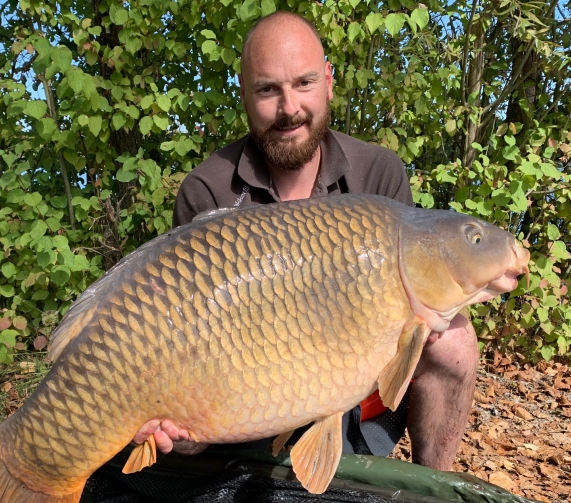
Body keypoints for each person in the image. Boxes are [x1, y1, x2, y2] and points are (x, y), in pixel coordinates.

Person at [131, 11, 479, 471]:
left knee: (454, 338)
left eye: (304, 83)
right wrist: (182, 427)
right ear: (245, 96)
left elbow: (413, 310)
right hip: (246, 406)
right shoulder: (208, 190)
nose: (289, 107)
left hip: (357, 403)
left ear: (329, 82)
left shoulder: (378, 173)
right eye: (268, 89)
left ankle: (432, 493)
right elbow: (184, 335)